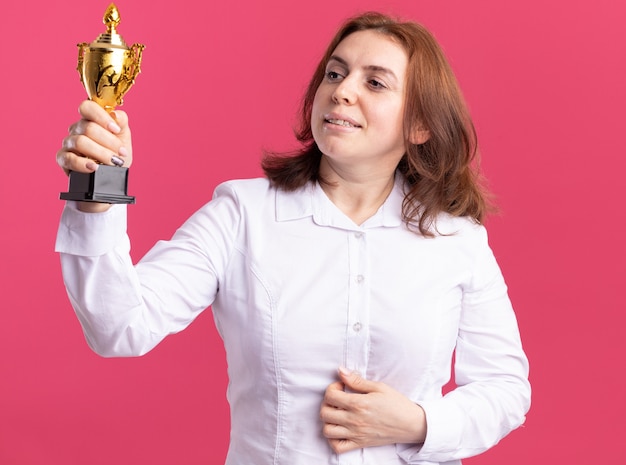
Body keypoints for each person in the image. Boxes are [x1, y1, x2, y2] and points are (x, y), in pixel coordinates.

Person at [55, 11, 530, 465]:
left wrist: (420, 423)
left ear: (420, 124)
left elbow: (506, 389)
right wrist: (98, 193)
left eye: (375, 82)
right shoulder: (242, 214)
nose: (342, 91)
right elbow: (118, 327)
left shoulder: (457, 240)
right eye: (334, 74)